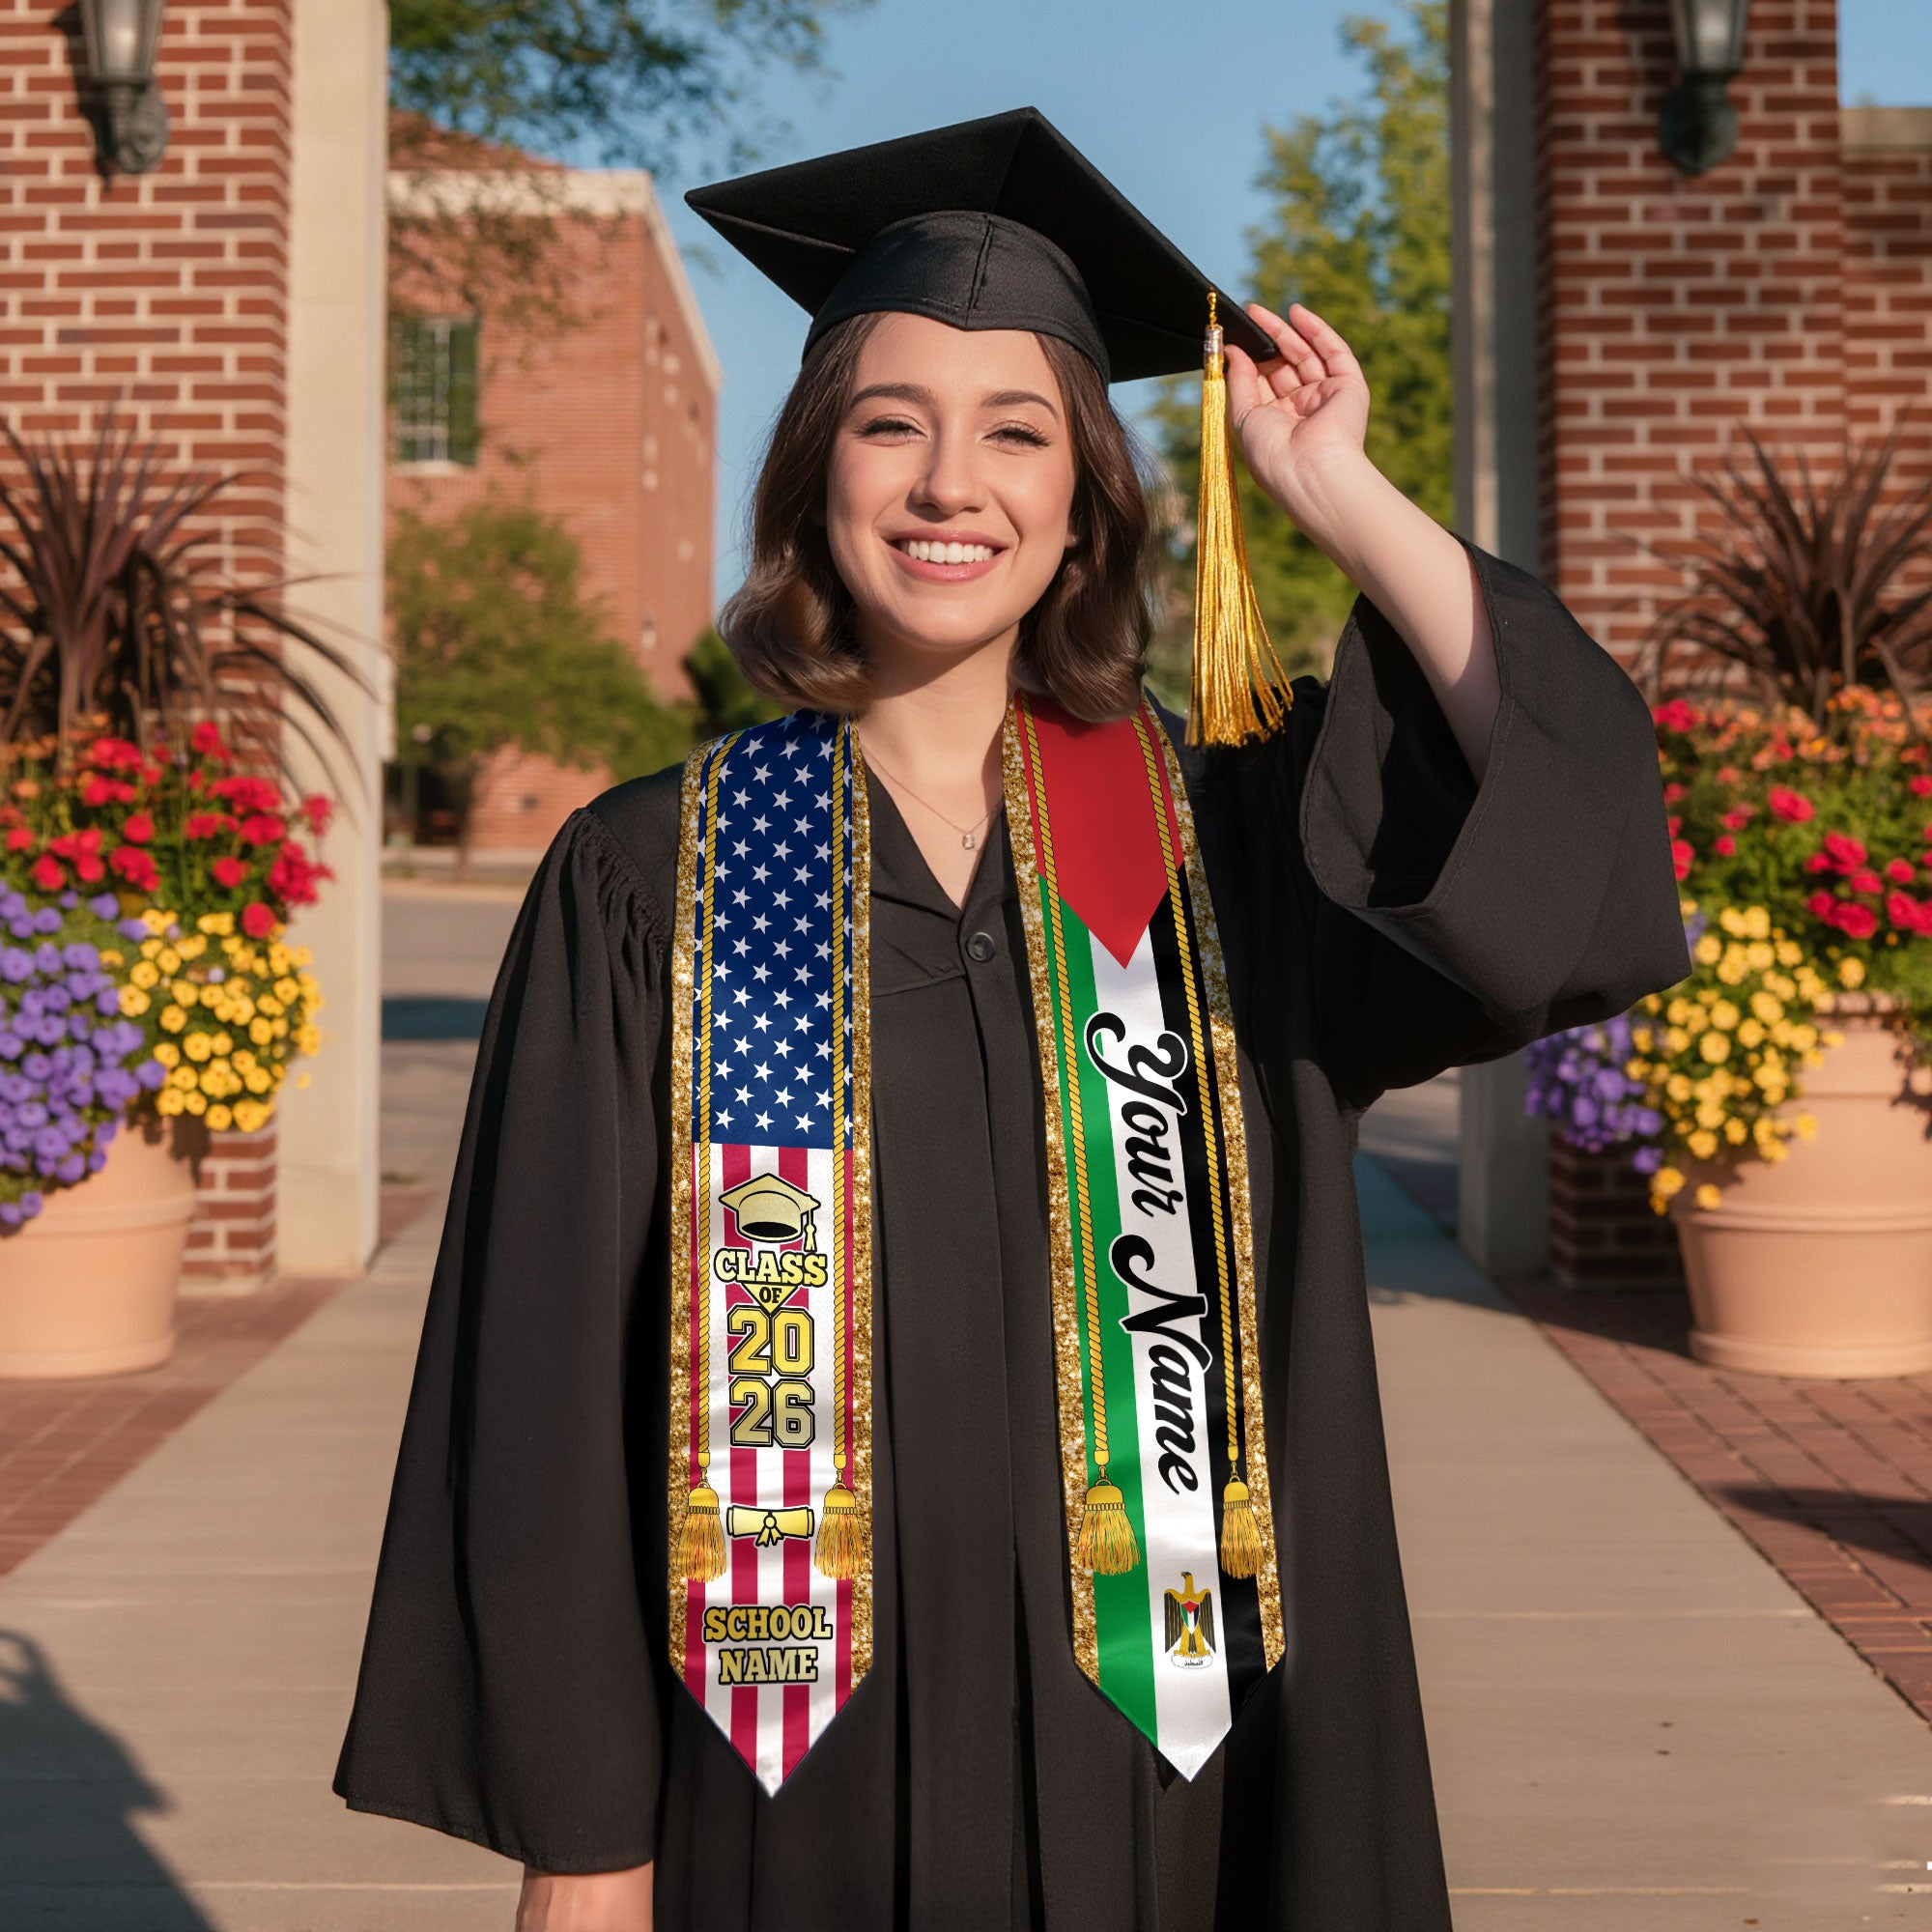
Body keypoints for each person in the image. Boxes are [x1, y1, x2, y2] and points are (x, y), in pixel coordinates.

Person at [332, 108, 1690, 1932]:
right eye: (892, 424)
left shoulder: (1232, 850)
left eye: (1017, 432)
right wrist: (584, 1846)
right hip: (782, 1785)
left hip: (1185, 1781)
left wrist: (1336, 490)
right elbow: (546, 1386)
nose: (949, 485)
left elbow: (1562, 837)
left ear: (1084, 501)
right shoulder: (654, 877)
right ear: (816, 472)